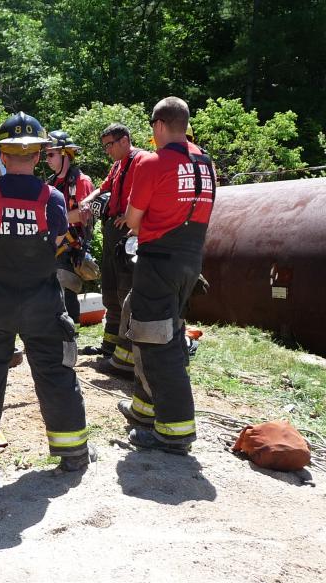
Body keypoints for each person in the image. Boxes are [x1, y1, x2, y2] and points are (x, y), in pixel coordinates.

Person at [0, 112, 93, 474]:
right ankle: (73, 453)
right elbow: (61, 239)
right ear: (37, 155)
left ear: (3, 154)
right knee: (55, 371)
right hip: (43, 301)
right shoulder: (53, 199)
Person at [119, 97, 216, 454]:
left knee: (159, 345)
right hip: (191, 262)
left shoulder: (151, 162)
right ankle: (145, 410)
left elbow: (132, 219)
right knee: (155, 332)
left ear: (159, 126)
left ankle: (174, 432)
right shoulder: (206, 163)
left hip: (158, 262)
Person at [78, 123, 147, 375]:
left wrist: (130, 219)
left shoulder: (142, 161)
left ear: (125, 140)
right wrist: (87, 200)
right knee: (109, 288)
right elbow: (105, 187)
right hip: (112, 230)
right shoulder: (117, 165)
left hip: (128, 233)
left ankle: (127, 355)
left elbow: (144, 194)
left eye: (110, 144)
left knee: (124, 290)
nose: (107, 150)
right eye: (105, 145)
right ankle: (110, 347)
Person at [44, 130, 95, 324]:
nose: (47, 159)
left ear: (65, 154)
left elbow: (84, 215)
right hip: (53, 245)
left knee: (66, 287)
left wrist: (57, 220)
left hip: (72, 246)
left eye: (51, 154)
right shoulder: (50, 183)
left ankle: (69, 333)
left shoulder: (82, 182)